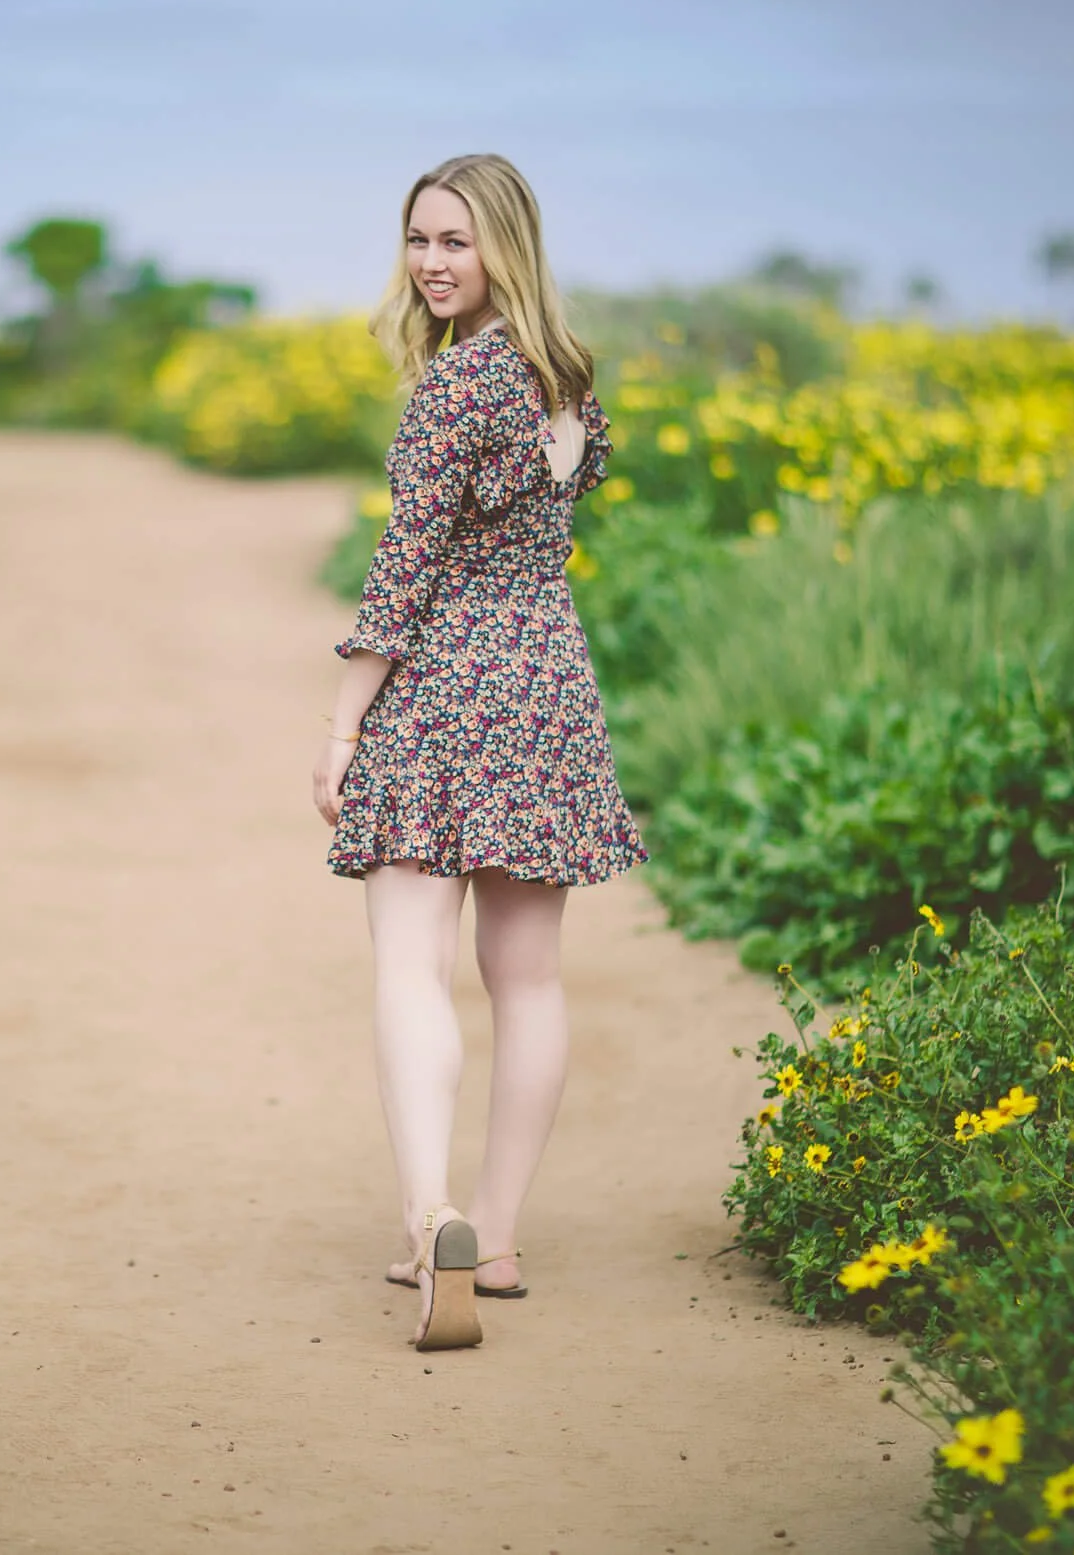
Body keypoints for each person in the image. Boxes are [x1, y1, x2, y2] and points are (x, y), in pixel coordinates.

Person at [312, 153, 647, 1352]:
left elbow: (404, 568)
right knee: (530, 977)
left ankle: (432, 1217)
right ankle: (494, 1239)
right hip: (549, 681)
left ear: (507, 244)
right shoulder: (569, 387)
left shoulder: (455, 390)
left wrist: (347, 721)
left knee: (411, 965)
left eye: (455, 240)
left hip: (449, 682)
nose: (432, 263)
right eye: (417, 240)